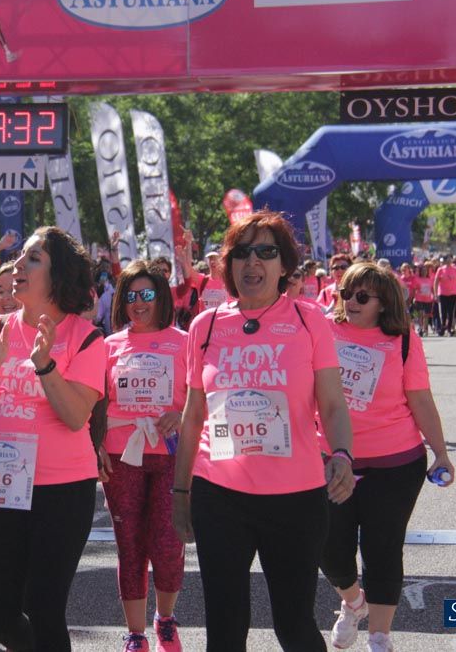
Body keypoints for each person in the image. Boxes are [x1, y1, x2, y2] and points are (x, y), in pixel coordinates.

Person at [171, 211, 355, 651]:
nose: (252, 263)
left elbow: (332, 404)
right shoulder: (206, 325)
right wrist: (180, 494)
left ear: (283, 264)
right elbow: (193, 416)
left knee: (294, 626)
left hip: (295, 497)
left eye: (266, 252)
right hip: (219, 498)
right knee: (225, 627)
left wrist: (343, 454)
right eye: (241, 253)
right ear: (228, 265)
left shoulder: (311, 320)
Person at [0, 226, 105, 652]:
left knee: (43, 606)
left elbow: (77, 416)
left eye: (33, 258)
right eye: (20, 257)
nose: (19, 266)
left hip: (63, 489)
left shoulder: (84, 336)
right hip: (2, 487)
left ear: (58, 276)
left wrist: (46, 366)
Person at [321, 262, 454, 652]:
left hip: (395, 463)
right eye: (346, 293)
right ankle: (352, 602)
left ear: (383, 303)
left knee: (382, 549)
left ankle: (379, 637)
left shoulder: (404, 340)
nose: (351, 302)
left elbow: (420, 399)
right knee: (329, 548)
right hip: (330, 460)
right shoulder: (323, 332)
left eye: (362, 296)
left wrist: (441, 452)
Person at [100, 260, 187, 652]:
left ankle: (165, 619)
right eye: (131, 296)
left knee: (168, 543)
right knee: (129, 544)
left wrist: (180, 415)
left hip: (170, 455)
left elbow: (205, 398)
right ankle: (135, 634)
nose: (139, 303)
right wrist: (97, 445)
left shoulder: (184, 341)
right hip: (122, 455)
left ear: (162, 298)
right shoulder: (109, 345)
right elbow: (97, 404)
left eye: (147, 295)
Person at [433, 254, 456, 336]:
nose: (449, 261)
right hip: (442, 293)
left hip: (453, 293)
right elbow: (436, 282)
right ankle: (442, 327)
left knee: (451, 312)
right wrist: (435, 294)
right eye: (447, 259)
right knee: (443, 312)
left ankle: (449, 328)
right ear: (445, 260)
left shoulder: (455, 269)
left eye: (450, 259)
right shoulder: (440, 269)